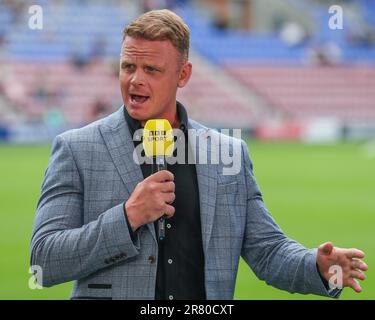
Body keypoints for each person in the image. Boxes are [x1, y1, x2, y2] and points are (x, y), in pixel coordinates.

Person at [30, 9, 368, 300]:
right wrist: (128, 217)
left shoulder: (228, 153)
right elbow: (42, 263)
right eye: (128, 66)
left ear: (183, 75)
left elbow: (267, 251)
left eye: (151, 70)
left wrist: (317, 267)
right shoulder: (77, 148)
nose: (135, 80)